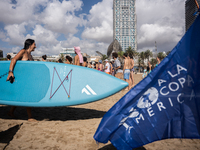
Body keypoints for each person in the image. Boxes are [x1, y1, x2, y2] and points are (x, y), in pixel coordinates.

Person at [6, 39, 36, 122]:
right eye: (34, 44)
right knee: (27, 96)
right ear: (30, 44)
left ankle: (10, 112)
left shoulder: (30, 55)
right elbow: (14, 59)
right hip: (22, 78)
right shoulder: (23, 51)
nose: (35, 46)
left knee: (20, 96)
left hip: (28, 79)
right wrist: (10, 72)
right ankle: (30, 117)